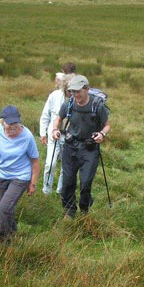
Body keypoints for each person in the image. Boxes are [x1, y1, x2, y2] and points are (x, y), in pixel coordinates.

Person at [52, 75, 110, 219]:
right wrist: (55, 130)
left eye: (78, 91)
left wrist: (102, 134)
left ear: (87, 89)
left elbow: (107, 125)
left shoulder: (97, 105)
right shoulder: (69, 103)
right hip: (71, 146)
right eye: (73, 91)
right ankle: (69, 210)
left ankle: (84, 208)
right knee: (67, 181)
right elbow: (59, 118)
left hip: (89, 148)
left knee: (85, 183)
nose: (76, 95)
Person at [0, 105, 40, 243]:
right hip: (2, 175)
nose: (13, 126)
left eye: (16, 123)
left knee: (4, 208)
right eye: (10, 123)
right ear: (2, 122)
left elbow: (35, 162)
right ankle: (12, 232)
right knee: (6, 209)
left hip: (20, 177)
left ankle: (1, 239)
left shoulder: (27, 136)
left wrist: (33, 183)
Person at [39, 72, 65, 195]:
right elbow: (45, 114)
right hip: (53, 134)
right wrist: (43, 133)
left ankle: (60, 190)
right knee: (50, 163)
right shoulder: (54, 95)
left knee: (66, 165)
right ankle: (46, 190)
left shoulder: (74, 97)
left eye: (57, 79)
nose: (55, 81)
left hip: (69, 136)